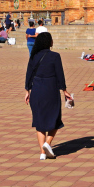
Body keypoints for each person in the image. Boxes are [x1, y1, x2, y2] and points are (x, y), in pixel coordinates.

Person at [24, 32, 72, 161]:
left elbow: (29, 74)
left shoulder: (33, 56)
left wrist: (27, 91)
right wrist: (65, 91)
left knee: (39, 122)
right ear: (49, 42)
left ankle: (42, 153)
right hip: (51, 89)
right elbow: (60, 75)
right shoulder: (55, 56)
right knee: (55, 119)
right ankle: (47, 144)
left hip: (37, 90)